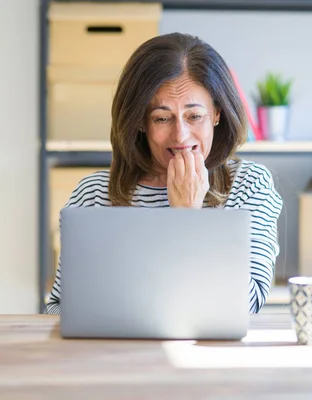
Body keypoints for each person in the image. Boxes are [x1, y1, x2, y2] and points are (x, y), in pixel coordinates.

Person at [46, 32, 283, 315]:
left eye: (194, 116)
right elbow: (59, 308)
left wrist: (187, 217)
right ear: (141, 122)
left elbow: (249, 304)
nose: (180, 135)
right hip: (114, 354)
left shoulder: (249, 185)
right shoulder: (95, 192)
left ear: (217, 113)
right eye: (161, 118)